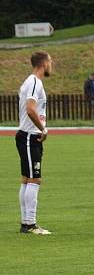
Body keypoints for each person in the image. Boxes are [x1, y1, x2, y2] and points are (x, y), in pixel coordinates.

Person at [16, 51, 53, 235]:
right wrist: (43, 128)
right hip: (30, 136)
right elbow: (30, 109)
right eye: (50, 61)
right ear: (43, 64)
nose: (51, 65)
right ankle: (30, 224)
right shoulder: (34, 82)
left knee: (26, 179)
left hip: (27, 136)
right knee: (34, 179)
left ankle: (25, 223)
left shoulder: (31, 82)